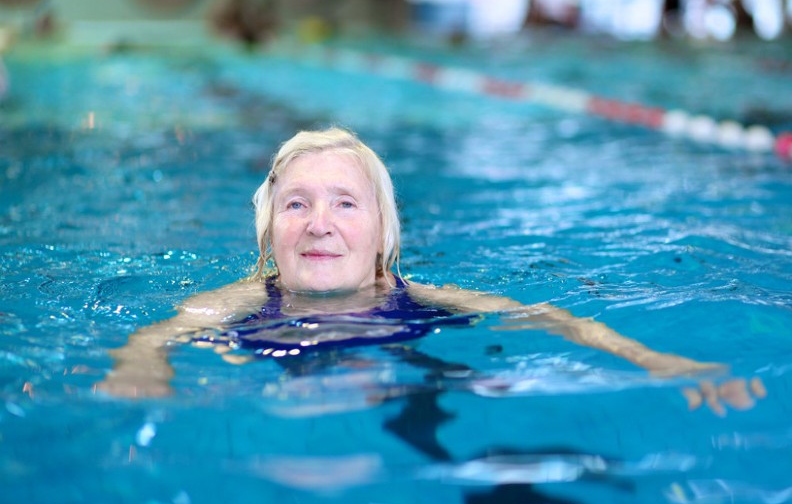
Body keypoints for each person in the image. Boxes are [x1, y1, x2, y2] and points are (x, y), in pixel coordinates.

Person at [98, 127, 765, 418]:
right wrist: (140, 368)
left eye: (345, 204)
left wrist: (656, 360)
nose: (318, 223)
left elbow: (558, 321)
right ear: (270, 233)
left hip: (409, 379)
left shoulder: (423, 298)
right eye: (295, 204)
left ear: (385, 234)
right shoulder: (241, 301)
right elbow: (155, 338)